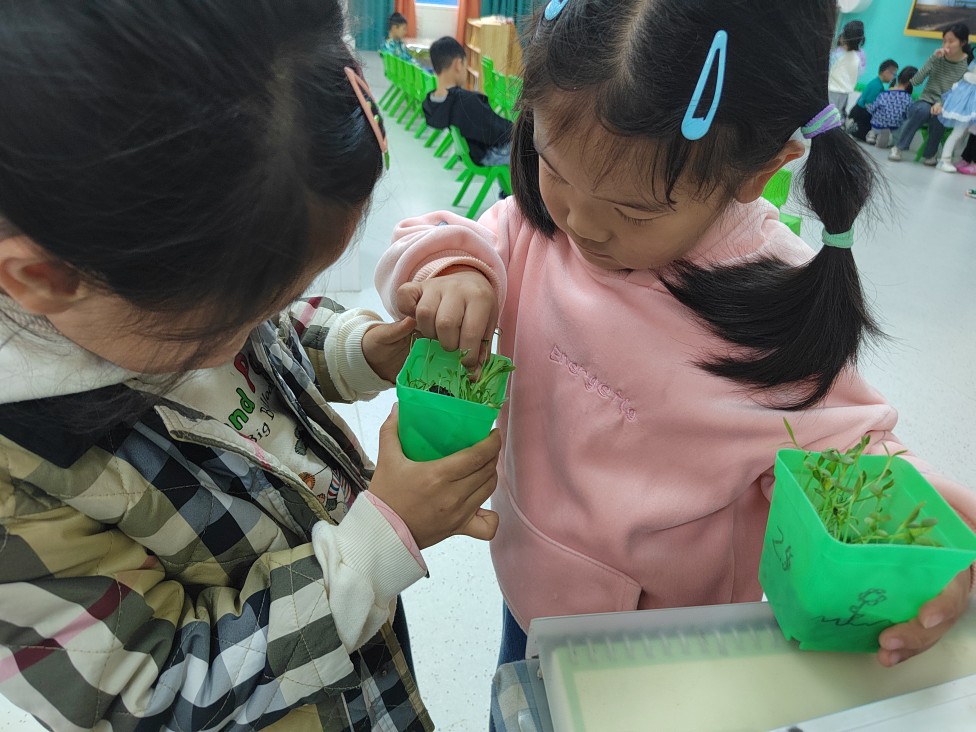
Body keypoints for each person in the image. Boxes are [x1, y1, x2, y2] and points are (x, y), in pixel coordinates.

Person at [375, 0, 976, 688]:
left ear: (758, 171)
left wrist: (929, 544)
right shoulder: (536, 229)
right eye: (553, 167)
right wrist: (455, 271)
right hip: (528, 587)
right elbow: (440, 239)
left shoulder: (768, 305)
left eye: (633, 211)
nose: (580, 223)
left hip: (663, 646)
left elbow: (852, 450)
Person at [0, 2, 502, 730]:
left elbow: (275, 336)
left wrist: (363, 349)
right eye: (234, 318)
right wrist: (373, 547)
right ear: (43, 280)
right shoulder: (21, 480)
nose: (253, 337)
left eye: (281, 297)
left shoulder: (168, 276)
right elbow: (156, 698)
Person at [423, 36, 513, 167]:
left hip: (473, 153)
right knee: (531, 147)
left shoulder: (433, 102)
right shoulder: (466, 101)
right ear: (458, 64)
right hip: (488, 153)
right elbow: (498, 132)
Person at [889, 24, 972, 164]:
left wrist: (942, 104)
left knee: (940, 116)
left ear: (962, 43)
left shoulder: (967, 66)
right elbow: (915, 81)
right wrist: (932, 58)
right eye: (944, 41)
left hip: (946, 104)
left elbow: (959, 93)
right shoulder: (937, 58)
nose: (946, 45)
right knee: (922, 110)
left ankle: (930, 155)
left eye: (951, 41)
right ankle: (898, 148)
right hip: (925, 101)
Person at [936, 58, 976, 173]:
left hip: (968, 109)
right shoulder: (970, 78)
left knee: (963, 134)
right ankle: (944, 159)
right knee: (958, 133)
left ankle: (956, 158)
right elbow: (969, 78)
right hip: (966, 109)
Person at [865, 66, 917, 148]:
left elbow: (873, 109)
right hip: (894, 127)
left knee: (873, 110)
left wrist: (868, 107)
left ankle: (873, 134)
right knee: (905, 120)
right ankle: (891, 139)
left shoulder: (884, 94)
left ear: (899, 78)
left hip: (878, 124)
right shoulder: (908, 98)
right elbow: (907, 115)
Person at [848, 59, 897, 141]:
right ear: (886, 72)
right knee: (863, 133)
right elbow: (869, 104)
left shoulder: (876, 82)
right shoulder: (877, 86)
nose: (894, 77)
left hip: (860, 110)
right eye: (894, 74)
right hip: (863, 113)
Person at [828, 20, 866, 116]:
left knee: (828, 114)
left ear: (843, 38)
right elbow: (859, 73)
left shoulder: (837, 54)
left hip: (831, 90)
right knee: (836, 113)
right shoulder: (859, 56)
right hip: (845, 91)